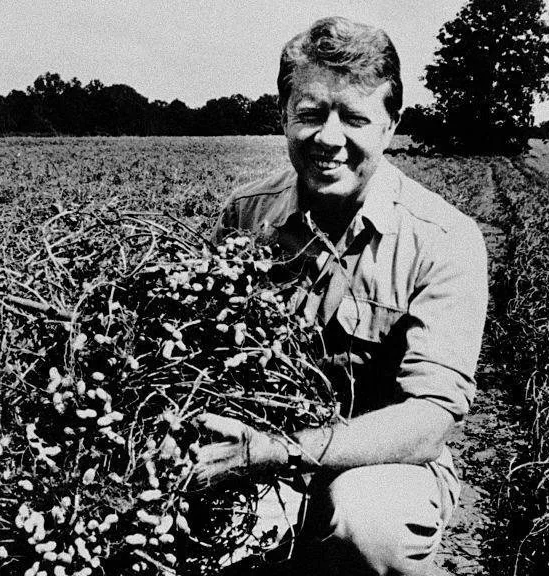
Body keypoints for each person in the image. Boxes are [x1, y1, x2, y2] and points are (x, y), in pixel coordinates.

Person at [200, 16, 488, 576]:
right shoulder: (246, 215)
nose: (329, 139)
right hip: (257, 450)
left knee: (366, 519)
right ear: (283, 116)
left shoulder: (445, 239)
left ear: (390, 124)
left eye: (354, 117)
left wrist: (282, 449)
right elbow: (206, 362)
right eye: (309, 115)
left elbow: (428, 421)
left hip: (387, 463)